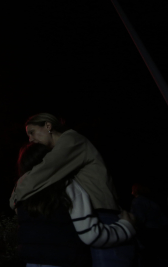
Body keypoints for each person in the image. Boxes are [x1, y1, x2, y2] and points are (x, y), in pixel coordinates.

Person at [11, 113, 136, 266]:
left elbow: (42, 172)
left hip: (105, 217)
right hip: (97, 217)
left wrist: (15, 199)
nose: (30, 139)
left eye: (31, 132)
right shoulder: (64, 149)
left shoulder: (71, 140)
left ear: (48, 126)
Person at [130, 183, 168, 266]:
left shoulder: (137, 201)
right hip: (158, 229)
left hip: (148, 231)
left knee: (148, 255)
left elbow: (140, 218)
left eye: (133, 189)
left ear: (136, 190)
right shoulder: (151, 201)